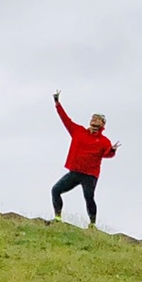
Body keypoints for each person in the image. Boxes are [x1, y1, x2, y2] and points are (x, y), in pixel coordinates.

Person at [49, 92, 116, 224]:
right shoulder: (78, 131)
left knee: (89, 197)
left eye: (98, 119)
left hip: (90, 175)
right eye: (93, 118)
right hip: (75, 171)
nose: (95, 120)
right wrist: (57, 103)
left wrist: (112, 150)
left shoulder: (104, 141)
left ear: (103, 124)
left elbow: (107, 154)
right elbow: (65, 119)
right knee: (55, 190)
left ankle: (92, 225)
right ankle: (57, 218)